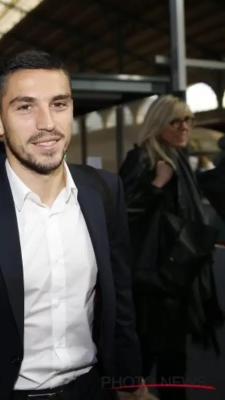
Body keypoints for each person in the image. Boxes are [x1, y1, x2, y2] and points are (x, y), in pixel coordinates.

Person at [0, 49, 149, 400]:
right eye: (25, 107)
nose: (47, 123)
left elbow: (120, 301)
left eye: (59, 104)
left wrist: (131, 383)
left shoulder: (104, 192)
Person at [119, 95, 223, 400]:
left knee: (173, 357)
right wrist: (156, 185)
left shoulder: (178, 157)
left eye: (188, 120)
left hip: (177, 274)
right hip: (154, 276)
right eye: (175, 121)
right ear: (159, 124)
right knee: (150, 354)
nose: (184, 127)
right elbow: (122, 213)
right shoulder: (143, 158)